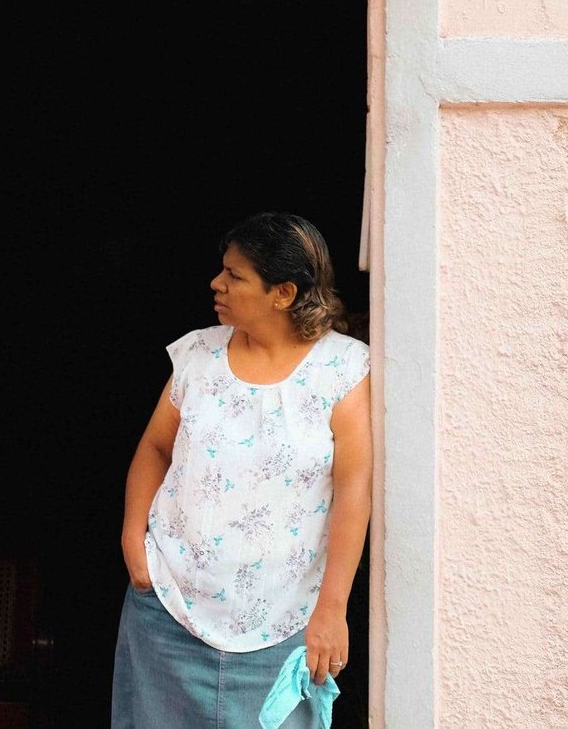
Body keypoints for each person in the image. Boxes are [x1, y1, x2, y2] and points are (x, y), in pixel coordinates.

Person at [112, 212, 373, 728]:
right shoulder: (198, 354)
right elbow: (155, 448)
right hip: (168, 611)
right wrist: (132, 538)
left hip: (284, 623)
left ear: (283, 293)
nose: (217, 283)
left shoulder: (343, 369)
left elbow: (354, 490)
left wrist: (332, 608)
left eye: (235, 275)